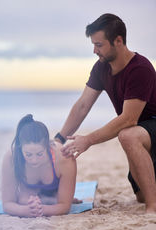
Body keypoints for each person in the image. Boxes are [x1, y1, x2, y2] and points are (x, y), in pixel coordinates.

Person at [54, 13, 156, 213]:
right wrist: (59, 138)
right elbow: (83, 104)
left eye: (99, 45)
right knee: (141, 195)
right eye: (93, 44)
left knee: (127, 134)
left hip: (150, 127)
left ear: (118, 41)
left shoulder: (140, 68)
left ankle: (153, 208)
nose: (94, 50)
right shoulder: (102, 68)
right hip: (142, 135)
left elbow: (129, 118)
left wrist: (88, 140)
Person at [1, 114, 77, 217]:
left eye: (39, 154)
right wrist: (26, 210)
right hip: (27, 193)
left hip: (56, 192)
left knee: (54, 199)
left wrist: (42, 209)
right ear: (20, 149)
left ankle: (49, 197)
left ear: (48, 146)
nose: (34, 160)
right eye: (28, 155)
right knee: (23, 199)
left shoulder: (64, 157)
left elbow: (65, 206)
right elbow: (7, 203)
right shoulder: (12, 158)